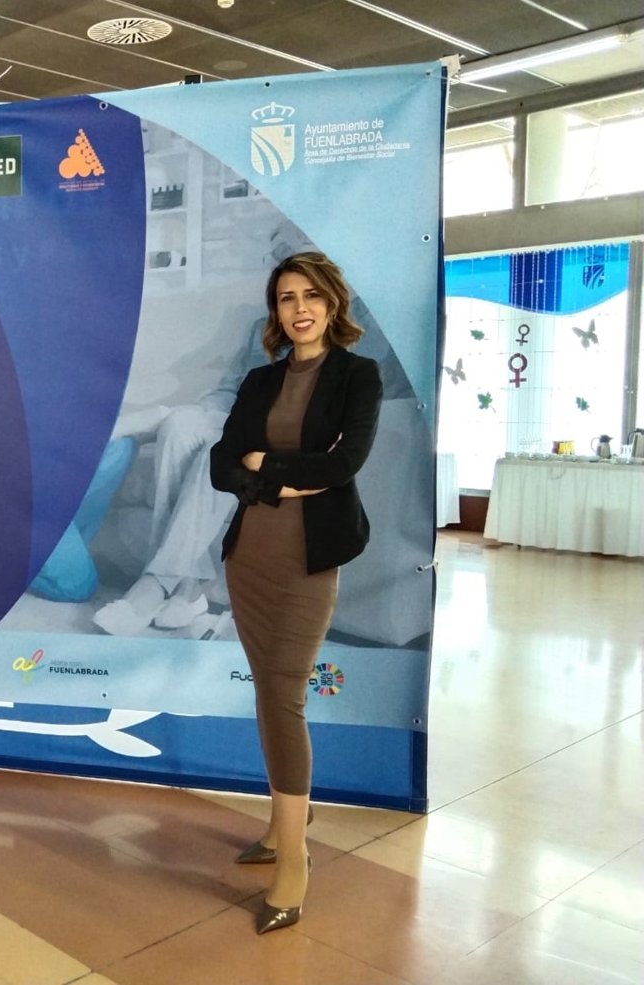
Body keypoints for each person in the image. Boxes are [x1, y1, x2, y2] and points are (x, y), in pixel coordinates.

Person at [209, 251, 382, 935]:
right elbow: (222, 462)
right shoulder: (260, 380)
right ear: (275, 312)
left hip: (309, 559)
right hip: (248, 557)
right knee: (268, 691)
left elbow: (343, 464)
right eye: (286, 298)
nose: (299, 309)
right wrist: (283, 475)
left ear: (333, 303)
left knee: (284, 696)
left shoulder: (357, 376)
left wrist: (265, 467)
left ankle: (295, 860)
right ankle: (287, 823)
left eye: (311, 295)